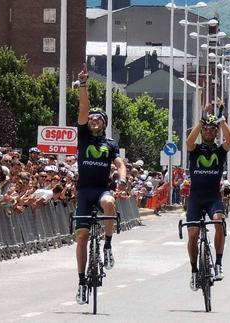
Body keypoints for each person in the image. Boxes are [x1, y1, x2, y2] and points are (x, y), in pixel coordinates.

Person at [74, 65, 127, 304]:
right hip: (84, 191)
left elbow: (119, 164)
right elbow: (83, 111)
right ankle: (81, 281)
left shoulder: (110, 143)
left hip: (101, 189)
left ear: (104, 124)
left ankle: (107, 245)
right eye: (92, 119)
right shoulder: (83, 137)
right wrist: (83, 85)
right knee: (82, 236)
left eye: (99, 119)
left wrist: (123, 179)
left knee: (109, 202)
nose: (94, 121)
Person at [185, 113, 230, 290]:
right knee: (192, 234)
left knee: (219, 222)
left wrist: (222, 120)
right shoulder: (195, 149)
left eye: (212, 129)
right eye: (205, 129)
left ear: (216, 132)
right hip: (196, 197)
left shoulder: (219, 151)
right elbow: (188, 141)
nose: (208, 131)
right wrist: (201, 122)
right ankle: (194, 271)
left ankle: (218, 263)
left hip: (213, 197)